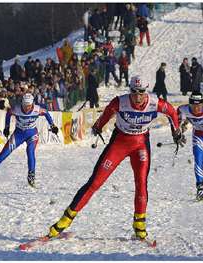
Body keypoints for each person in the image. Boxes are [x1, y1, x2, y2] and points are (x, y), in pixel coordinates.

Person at [46, 76, 183, 240]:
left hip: (140, 144)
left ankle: (140, 224)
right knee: (95, 182)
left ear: (146, 92)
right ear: (129, 91)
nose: (138, 96)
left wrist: (176, 132)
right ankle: (65, 220)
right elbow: (106, 114)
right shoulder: (120, 102)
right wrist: (98, 126)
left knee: (141, 183)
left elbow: (172, 112)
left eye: (141, 92)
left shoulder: (155, 103)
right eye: (134, 92)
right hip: (120, 142)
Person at [0, 93, 59, 187]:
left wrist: (53, 126)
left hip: (32, 134)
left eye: (29, 106)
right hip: (19, 134)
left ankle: (31, 175)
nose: (27, 108)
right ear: (22, 103)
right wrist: (7, 127)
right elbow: (8, 114)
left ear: (33, 104)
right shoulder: (16, 109)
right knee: (4, 154)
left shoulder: (37, 109)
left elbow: (46, 113)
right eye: (25, 105)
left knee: (30, 152)